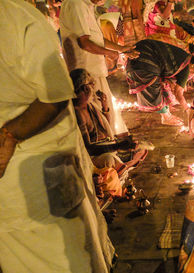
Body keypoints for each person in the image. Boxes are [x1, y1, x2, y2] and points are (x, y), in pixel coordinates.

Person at [0, 1, 114, 272]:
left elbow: (56, 96)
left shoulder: (17, 19)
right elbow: (58, 95)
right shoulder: (18, 17)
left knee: (62, 250)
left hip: (39, 163)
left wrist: (11, 133)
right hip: (24, 177)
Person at [60, 0, 139, 135]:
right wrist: (109, 53)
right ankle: (105, 145)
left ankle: (111, 142)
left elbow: (98, 39)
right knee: (95, 115)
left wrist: (121, 48)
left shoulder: (87, 6)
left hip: (94, 70)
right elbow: (84, 43)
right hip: (85, 72)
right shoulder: (76, 4)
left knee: (105, 110)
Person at [126, 39, 194, 126]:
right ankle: (166, 117)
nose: (193, 76)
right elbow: (178, 93)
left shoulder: (184, 57)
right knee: (155, 89)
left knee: (163, 85)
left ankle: (166, 113)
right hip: (144, 64)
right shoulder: (185, 67)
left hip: (137, 59)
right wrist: (188, 109)